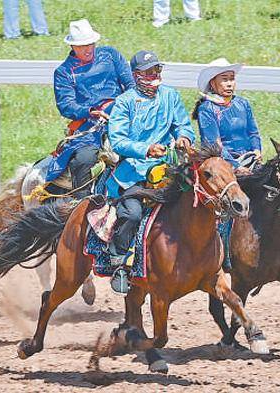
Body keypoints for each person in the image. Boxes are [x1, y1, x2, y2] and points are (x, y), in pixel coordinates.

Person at [106, 50, 195, 293]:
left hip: (168, 167)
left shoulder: (171, 96)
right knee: (132, 214)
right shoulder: (124, 102)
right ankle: (118, 262)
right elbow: (118, 140)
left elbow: (183, 125)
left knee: (199, 198)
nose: (154, 74)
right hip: (133, 172)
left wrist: (184, 138)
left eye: (157, 69)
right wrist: (145, 149)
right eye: (148, 71)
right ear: (136, 75)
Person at [46, 19, 135, 199]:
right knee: (84, 159)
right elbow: (66, 105)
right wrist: (90, 111)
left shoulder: (110, 55)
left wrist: (125, 104)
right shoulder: (64, 72)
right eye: (82, 46)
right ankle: (81, 204)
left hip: (121, 114)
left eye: (90, 44)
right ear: (72, 46)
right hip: (90, 126)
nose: (88, 49)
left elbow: (130, 83)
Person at [193, 58, 262, 175]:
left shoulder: (243, 103)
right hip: (223, 163)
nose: (229, 84)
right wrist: (236, 166)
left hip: (249, 158)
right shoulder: (207, 108)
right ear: (212, 83)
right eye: (225, 80)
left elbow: (253, 133)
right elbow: (214, 144)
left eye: (232, 79)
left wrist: (257, 150)